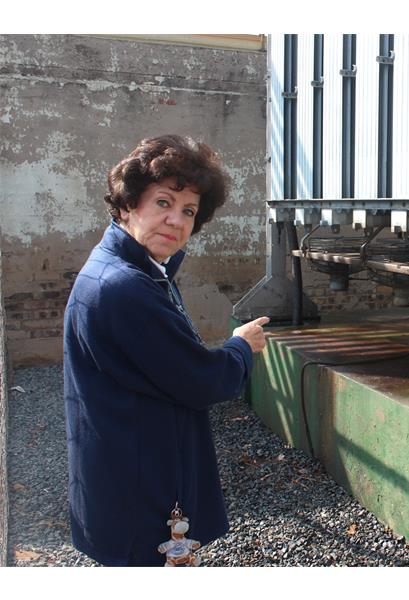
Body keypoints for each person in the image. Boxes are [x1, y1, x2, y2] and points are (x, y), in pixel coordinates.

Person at [63, 134, 269, 566]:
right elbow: (201, 380)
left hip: (124, 467)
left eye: (188, 211)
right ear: (127, 205)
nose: (176, 220)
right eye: (163, 202)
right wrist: (241, 347)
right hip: (141, 484)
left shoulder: (131, 270)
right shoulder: (125, 287)